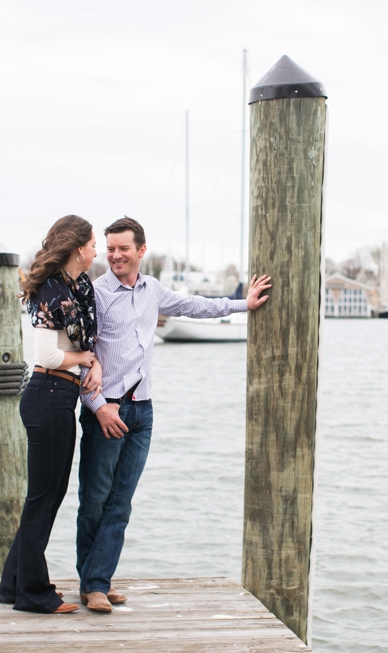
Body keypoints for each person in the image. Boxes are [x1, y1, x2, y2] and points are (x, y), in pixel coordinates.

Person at [75, 216, 271, 612]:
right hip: (106, 410)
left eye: (123, 248)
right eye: (110, 248)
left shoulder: (153, 290)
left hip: (142, 410)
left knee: (121, 502)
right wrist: (97, 409)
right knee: (95, 499)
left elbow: (196, 305)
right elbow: (82, 357)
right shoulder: (93, 294)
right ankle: (92, 583)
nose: (115, 255)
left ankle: (98, 580)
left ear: (141, 251)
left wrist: (243, 304)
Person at [0, 215, 103, 614]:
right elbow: (47, 354)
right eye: (93, 244)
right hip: (49, 393)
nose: (97, 251)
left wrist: (91, 364)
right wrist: (84, 358)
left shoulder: (79, 287)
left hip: (62, 394)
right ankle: (33, 593)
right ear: (79, 248)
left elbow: (86, 345)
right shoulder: (51, 290)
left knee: (48, 496)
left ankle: (14, 584)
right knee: (43, 498)